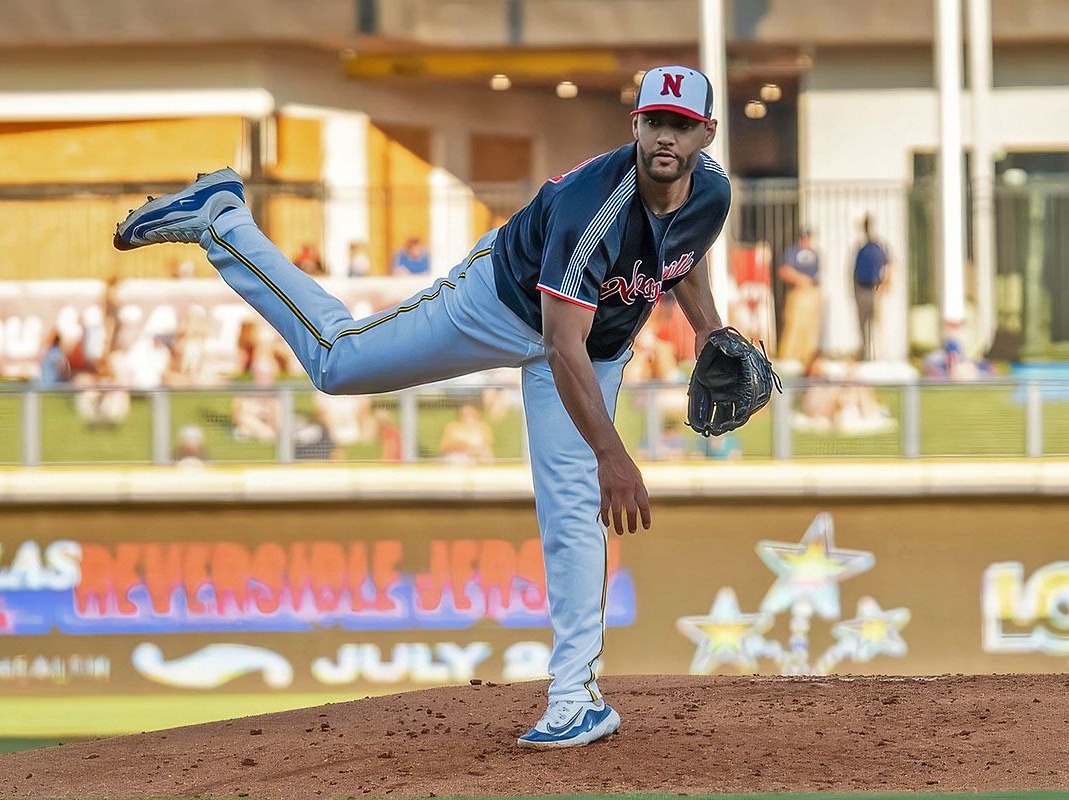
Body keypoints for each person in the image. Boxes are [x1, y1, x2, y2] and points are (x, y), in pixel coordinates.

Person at [115, 64, 731, 750]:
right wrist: (613, 455)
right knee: (337, 362)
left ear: (706, 133)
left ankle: (575, 699)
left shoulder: (712, 193)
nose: (664, 136)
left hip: (600, 342)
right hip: (503, 306)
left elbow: (682, 251)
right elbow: (560, 346)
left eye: (679, 124)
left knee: (573, 509)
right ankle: (224, 220)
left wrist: (707, 327)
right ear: (636, 124)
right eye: (654, 121)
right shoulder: (597, 203)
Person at [776, 226, 821, 364]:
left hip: (811, 293)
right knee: (795, 325)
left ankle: (807, 356)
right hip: (798, 292)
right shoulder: (793, 252)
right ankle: (790, 356)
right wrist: (800, 279)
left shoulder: (814, 254)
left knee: (810, 327)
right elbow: (784, 270)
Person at [853, 214, 891, 360]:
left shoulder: (878, 247)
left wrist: (884, 285)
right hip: (861, 289)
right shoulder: (861, 248)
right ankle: (865, 354)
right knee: (862, 325)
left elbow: (889, 266)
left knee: (875, 325)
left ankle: (878, 356)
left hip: (874, 290)